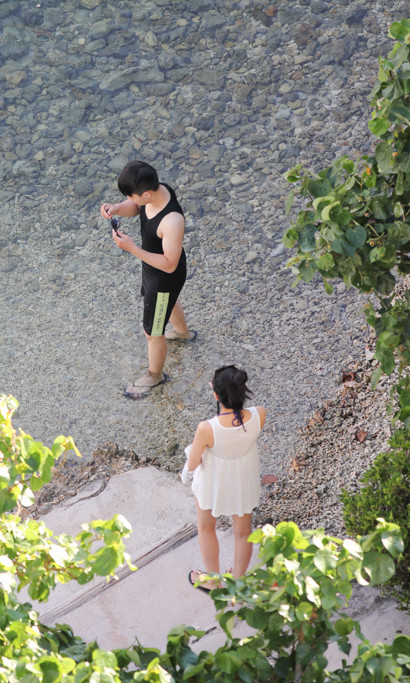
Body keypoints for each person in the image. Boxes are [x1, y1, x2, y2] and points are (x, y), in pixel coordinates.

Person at [100, 161, 196, 400]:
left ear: (145, 193)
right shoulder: (157, 190)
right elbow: (136, 206)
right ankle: (183, 333)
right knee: (170, 302)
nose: (131, 201)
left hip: (164, 276)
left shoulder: (172, 221)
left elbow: (169, 264)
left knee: (152, 332)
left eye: (131, 196)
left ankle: (155, 375)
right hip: (158, 274)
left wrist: (132, 248)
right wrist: (117, 208)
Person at [180, 365, 265, 593]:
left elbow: (194, 462)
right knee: (243, 533)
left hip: (213, 483)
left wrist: (185, 475)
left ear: (216, 395)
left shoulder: (207, 428)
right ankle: (238, 581)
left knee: (207, 528)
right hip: (243, 479)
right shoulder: (260, 414)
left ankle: (214, 580)